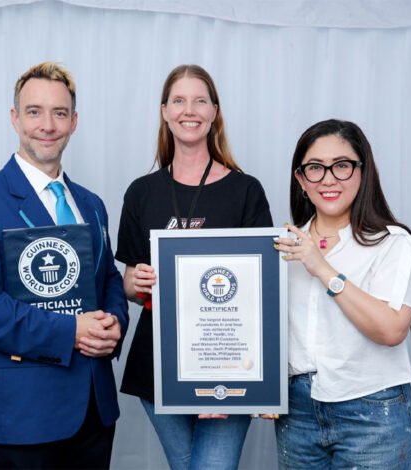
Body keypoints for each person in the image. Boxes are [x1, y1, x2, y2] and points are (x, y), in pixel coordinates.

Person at [0, 61, 128, 469]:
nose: (47, 124)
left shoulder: (91, 204)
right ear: (15, 118)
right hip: (24, 416)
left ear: (74, 122)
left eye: (59, 113)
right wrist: (72, 331)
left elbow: (109, 280)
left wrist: (115, 322)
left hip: (95, 411)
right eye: (34, 111)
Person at [116, 64, 273, 469]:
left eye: (200, 100)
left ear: (215, 111)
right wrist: (136, 281)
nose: (190, 110)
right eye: (179, 100)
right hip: (158, 361)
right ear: (165, 111)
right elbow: (128, 286)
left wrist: (219, 382)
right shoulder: (141, 192)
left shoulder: (245, 190)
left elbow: (261, 289)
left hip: (228, 362)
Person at [272, 119, 411, 469]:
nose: (329, 178)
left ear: (363, 173)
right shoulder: (281, 248)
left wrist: (323, 269)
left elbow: (392, 330)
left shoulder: (394, 245)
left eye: (342, 166)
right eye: (315, 168)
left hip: (372, 412)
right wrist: (260, 384)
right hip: (297, 413)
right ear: (301, 180)